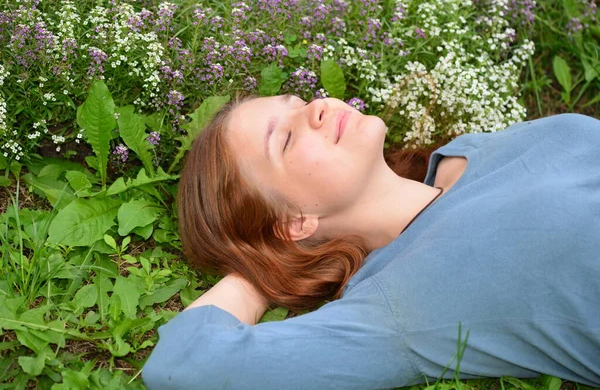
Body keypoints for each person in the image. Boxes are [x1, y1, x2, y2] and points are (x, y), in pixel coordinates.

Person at [142, 93, 600, 389]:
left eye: (297, 103)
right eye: (284, 140)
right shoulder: (404, 302)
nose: (317, 108)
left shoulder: (471, 150)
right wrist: (259, 271)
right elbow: (185, 364)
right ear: (293, 221)